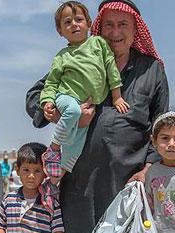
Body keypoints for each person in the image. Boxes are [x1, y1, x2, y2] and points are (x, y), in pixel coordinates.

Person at [26, 1, 168, 233]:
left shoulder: (152, 71)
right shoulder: (78, 58)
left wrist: (149, 167)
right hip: (80, 184)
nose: (116, 33)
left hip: (129, 187)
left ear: (136, 31)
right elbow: (35, 98)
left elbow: (161, 125)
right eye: (109, 26)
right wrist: (57, 108)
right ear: (98, 29)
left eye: (124, 26)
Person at [40, 1, 129, 183]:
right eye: (67, 22)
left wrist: (117, 96)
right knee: (73, 111)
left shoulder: (99, 44)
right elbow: (51, 82)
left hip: (88, 104)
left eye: (79, 19)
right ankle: (54, 148)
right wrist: (47, 102)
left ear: (89, 23)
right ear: (60, 31)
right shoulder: (62, 56)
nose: (74, 24)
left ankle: (56, 179)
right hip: (66, 97)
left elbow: (111, 68)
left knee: (76, 146)